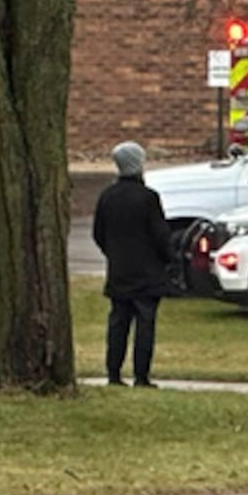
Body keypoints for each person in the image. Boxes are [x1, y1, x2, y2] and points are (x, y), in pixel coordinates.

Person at [92, 141, 178, 387]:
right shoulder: (148, 198)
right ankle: (141, 376)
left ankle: (113, 374)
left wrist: (113, 254)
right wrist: (169, 258)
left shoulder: (107, 196)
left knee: (118, 323)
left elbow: (98, 233)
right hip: (147, 272)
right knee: (145, 324)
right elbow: (160, 235)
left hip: (119, 270)